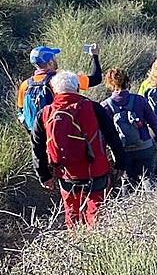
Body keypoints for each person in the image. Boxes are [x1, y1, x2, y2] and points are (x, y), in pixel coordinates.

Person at [31, 71, 128, 229]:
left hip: (66, 174)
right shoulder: (93, 108)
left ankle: (75, 240)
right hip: (96, 171)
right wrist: (120, 164)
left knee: (72, 214)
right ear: (77, 87)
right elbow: (113, 137)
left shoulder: (44, 113)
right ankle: (96, 241)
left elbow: (37, 147)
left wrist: (44, 175)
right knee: (97, 215)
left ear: (54, 90)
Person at [101, 68, 157, 190]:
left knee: (127, 182)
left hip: (122, 151)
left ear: (109, 84)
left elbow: (102, 134)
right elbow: (154, 122)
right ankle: (153, 201)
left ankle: (130, 202)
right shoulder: (139, 100)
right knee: (148, 178)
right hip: (144, 146)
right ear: (127, 81)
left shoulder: (105, 106)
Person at [16, 44, 102, 132]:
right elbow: (96, 79)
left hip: (36, 132)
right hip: (58, 130)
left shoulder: (25, 85)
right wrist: (95, 56)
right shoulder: (62, 79)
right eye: (54, 57)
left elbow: (21, 111)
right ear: (50, 62)